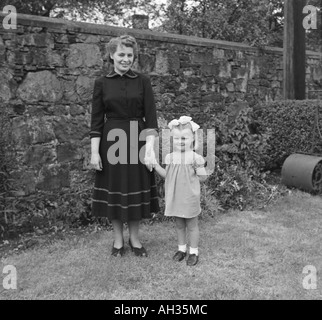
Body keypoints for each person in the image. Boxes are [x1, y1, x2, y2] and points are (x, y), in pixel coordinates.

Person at [90, 35, 159, 258]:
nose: (126, 59)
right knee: (116, 192)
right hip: (111, 143)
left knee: (135, 192)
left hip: (137, 140)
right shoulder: (101, 83)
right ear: (112, 55)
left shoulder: (143, 81)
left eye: (130, 55)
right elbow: (96, 121)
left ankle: (135, 240)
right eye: (121, 54)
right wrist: (94, 152)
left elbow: (151, 118)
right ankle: (118, 240)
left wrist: (149, 149)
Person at [154, 116, 208, 266]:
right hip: (176, 197)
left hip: (189, 197)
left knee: (192, 226)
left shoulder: (195, 158)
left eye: (184, 138)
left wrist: (200, 167)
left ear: (193, 139)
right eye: (177, 139)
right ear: (172, 139)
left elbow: (202, 178)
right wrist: (156, 166)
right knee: (179, 225)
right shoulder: (170, 157)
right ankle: (181, 249)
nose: (181, 141)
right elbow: (168, 176)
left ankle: (193, 251)